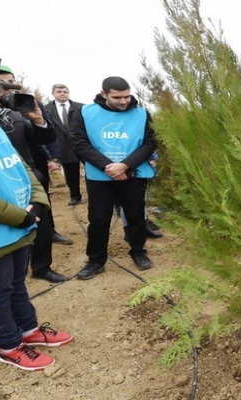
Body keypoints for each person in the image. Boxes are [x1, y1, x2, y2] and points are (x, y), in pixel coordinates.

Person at [0, 69, 73, 371]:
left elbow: (21, 167)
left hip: (16, 226)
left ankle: (28, 330)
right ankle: (9, 345)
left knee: (15, 283)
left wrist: (37, 202)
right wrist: (18, 216)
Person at [0, 62, 72, 283]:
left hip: (28, 174)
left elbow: (44, 138)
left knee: (40, 222)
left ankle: (42, 267)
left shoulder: (22, 110)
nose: (6, 91)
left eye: (9, 85)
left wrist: (39, 121)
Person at [71, 76, 156, 279]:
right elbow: (79, 142)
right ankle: (96, 260)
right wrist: (108, 167)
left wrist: (125, 166)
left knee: (135, 215)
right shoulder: (84, 113)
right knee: (99, 218)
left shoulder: (142, 114)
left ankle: (138, 251)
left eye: (127, 96)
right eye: (117, 97)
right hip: (100, 175)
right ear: (104, 94)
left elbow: (149, 143)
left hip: (133, 173)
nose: (124, 101)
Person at [44, 84, 85, 206]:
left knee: (93, 169)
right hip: (63, 146)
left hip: (83, 144)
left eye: (65, 91)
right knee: (71, 173)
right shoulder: (46, 110)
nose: (62, 93)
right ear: (53, 93)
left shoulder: (81, 107)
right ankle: (75, 196)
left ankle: (97, 194)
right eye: (59, 91)